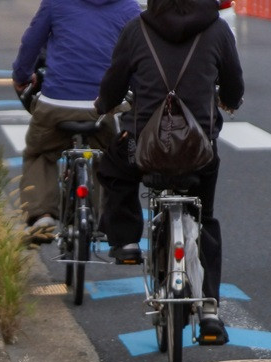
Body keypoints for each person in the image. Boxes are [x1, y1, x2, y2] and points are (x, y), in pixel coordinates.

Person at [94, 0, 243, 344]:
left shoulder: (137, 29)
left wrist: (105, 104)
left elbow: (114, 82)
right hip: (198, 152)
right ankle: (208, 310)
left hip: (144, 151)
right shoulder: (218, 29)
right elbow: (234, 83)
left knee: (114, 165)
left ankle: (128, 240)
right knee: (206, 218)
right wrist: (229, 101)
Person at [12, 0, 140, 244]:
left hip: (57, 102)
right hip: (103, 106)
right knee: (108, 157)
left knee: (40, 153)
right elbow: (138, 54)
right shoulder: (128, 7)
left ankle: (42, 216)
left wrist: (21, 75)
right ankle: (101, 217)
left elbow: (31, 43)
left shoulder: (56, 2)